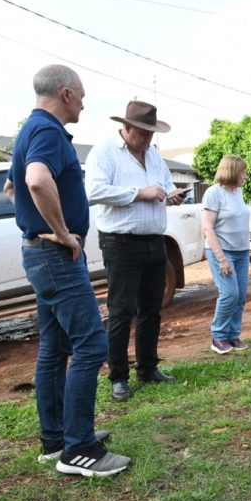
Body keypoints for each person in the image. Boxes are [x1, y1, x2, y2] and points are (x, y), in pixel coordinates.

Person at [4, 64, 130, 476]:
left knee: (55, 349)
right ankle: (80, 450)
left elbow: (12, 188)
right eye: (82, 94)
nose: (84, 102)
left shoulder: (29, 128)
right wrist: (60, 232)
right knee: (92, 345)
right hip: (57, 257)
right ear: (66, 94)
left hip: (40, 254)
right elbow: (36, 180)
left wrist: (35, 223)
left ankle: (56, 439)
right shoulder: (47, 131)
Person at [85, 101, 185, 402]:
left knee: (151, 307)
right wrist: (139, 194)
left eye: (151, 134)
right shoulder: (104, 152)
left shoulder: (153, 155)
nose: (148, 139)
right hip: (121, 242)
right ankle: (118, 376)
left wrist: (171, 196)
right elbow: (95, 191)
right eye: (143, 133)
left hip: (154, 239)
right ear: (126, 128)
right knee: (121, 310)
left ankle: (147, 367)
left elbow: (164, 186)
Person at [200, 155, 251, 354]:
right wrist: (221, 258)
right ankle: (218, 336)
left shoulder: (237, 192)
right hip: (222, 251)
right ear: (232, 171)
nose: (245, 176)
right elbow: (207, 228)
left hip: (242, 251)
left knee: (240, 296)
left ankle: (232, 335)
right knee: (229, 294)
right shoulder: (214, 193)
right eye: (242, 172)